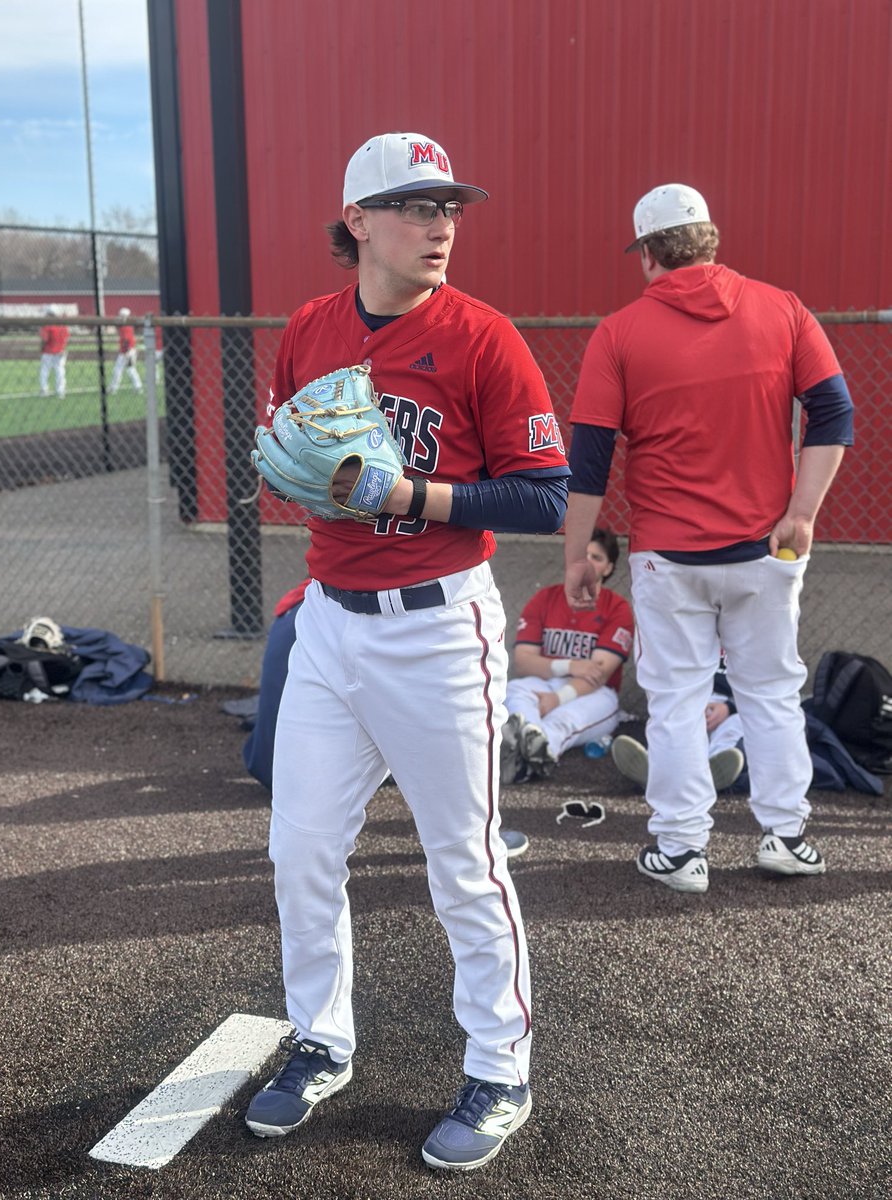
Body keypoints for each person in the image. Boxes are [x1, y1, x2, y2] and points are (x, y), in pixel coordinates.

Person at [244, 132, 570, 1170]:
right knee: (300, 848)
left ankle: (500, 1065)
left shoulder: (482, 337)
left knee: (463, 864)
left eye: (450, 208)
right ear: (357, 222)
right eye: (416, 206)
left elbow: (544, 496)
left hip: (438, 629)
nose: (441, 226)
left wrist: (407, 495)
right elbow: (287, 466)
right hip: (332, 623)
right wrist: (289, 479)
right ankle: (320, 1037)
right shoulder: (310, 328)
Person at [564, 182, 854, 893]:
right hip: (765, 549)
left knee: (676, 700)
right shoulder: (783, 309)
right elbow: (834, 413)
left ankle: (681, 850)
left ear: (648, 255)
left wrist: (578, 554)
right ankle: (786, 837)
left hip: (670, 556)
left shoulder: (619, 332)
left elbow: (590, 460)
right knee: (772, 694)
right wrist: (804, 510)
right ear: (710, 238)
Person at [240, 581, 531, 858]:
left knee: (305, 845)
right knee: (456, 818)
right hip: (393, 634)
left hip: (270, 767)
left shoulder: (303, 607)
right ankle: (480, 837)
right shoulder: (356, 611)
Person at [501, 526, 634, 783]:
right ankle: (530, 752)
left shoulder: (617, 608)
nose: (587, 563)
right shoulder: (545, 598)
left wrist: (557, 698)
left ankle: (526, 753)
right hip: (545, 682)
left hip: (593, 694)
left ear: (608, 569)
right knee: (514, 689)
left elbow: (597, 674)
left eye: (597, 558)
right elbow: (523, 661)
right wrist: (571, 665)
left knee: (564, 719)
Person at [611, 657, 745, 792]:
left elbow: (761, 690)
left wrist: (730, 706)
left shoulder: (754, 638)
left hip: (736, 703)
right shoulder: (696, 637)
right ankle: (655, 769)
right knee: (674, 719)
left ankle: (713, 774)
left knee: (733, 727)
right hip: (694, 694)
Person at [109, 308, 143, 394]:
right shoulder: (128, 325)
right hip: (130, 350)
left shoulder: (125, 326)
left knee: (118, 370)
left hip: (126, 351)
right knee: (130, 369)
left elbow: (126, 339)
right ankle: (138, 386)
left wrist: (126, 351)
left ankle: (114, 388)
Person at [39, 307, 69, 399]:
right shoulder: (62, 326)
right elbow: (66, 338)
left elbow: (44, 339)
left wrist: (41, 347)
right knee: (60, 371)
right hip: (60, 351)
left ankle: (44, 390)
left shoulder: (47, 326)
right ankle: (61, 391)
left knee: (45, 371)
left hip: (48, 351)